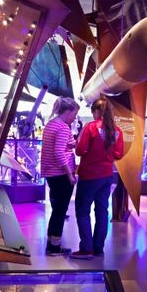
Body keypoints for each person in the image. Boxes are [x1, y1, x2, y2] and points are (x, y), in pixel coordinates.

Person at [70, 96, 124, 259]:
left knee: (82, 210)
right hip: (107, 175)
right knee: (102, 211)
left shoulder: (91, 127)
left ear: (96, 111)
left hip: (89, 175)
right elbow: (118, 154)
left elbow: (80, 150)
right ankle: (98, 248)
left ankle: (86, 249)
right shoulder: (117, 130)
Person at [40, 97, 80, 255]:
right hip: (61, 174)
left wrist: (72, 143)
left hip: (51, 173)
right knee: (60, 210)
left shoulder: (51, 124)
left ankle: (51, 241)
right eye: (75, 113)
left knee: (57, 209)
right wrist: (70, 174)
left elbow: (57, 146)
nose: (75, 117)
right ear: (68, 111)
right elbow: (58, 153)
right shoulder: (63, 127)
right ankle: (54, 246)